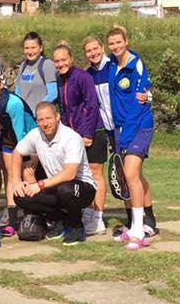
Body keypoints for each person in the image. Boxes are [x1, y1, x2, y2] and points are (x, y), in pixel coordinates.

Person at [11, 102, 96, 246]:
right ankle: (61, 221)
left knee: (66, 190)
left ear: (57, 117)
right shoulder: (36, 134)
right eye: (40, 120)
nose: (45, 123)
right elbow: (17, 152)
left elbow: (70, 173)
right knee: (20, 196)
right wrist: (16, 181)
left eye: (48, 118)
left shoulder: (71, 137)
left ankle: (77, 227)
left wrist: (39, 185)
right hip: (55, 185)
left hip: (82, 187)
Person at [106, 25, 157, 250]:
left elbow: (139, 103)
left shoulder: (136, 64)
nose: (116, 46)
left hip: (139, 126)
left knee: (130, 174)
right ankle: (144, 222)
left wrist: (126, 136)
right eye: (112, 43)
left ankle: (138, 231)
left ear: (126, 41)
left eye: (119, 42)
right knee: (131, 176)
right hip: (120, 128)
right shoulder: (110, 64)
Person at [52, 43, 104, 235]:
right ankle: (86, 214)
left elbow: (92, 105)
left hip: (92, 131)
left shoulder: (83, 76)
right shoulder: (60, 79)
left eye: (64, 60)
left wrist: (87, 133)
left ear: (71, 59)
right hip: (74, 135)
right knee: (81, 175)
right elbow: (64, 108)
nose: (61, 64)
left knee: (95, 173)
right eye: (57, 61)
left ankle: (97, 218)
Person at [0, 71, 36, 237]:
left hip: (28, 139)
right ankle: (12, 222)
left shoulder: (13, 103)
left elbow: (21, 133)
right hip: (8, 139)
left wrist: (26, 159)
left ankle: (34, 216)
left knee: (26, 174)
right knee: (11, 175)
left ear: (1, 85)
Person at [82, 36, 114, 236]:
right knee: (89, 173)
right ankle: (90, 214)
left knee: (125, 173)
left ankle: (100, 216)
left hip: (118, 126)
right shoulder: (87, 74)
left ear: (102, 48)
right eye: (88, 50)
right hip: (100, 126)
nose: (93, 53)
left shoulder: (113, 67)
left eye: (95, 48)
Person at [15, 31, 58, 112]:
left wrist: (37, 111)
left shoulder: (47, 65)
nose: (30, 51)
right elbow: (17, 92)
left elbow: (53, 93)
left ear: (41, 48)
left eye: (33, 47)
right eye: (27, 48)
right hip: (25, 115)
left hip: (41, 115)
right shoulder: (23, 66)